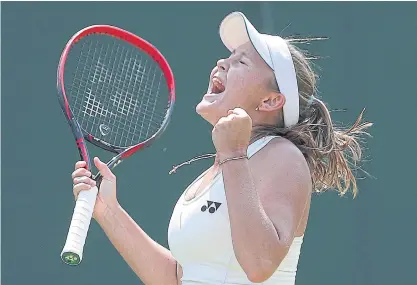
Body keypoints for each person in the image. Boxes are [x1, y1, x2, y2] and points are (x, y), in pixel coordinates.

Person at [71, 12, 371, 285]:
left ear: (270, 101)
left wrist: (233, 155)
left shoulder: (282, 155)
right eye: (228, 56)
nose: (222, 63)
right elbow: (174, 279)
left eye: (241, 62)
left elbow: (260, 264)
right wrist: (109, 212)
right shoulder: (216, 173)